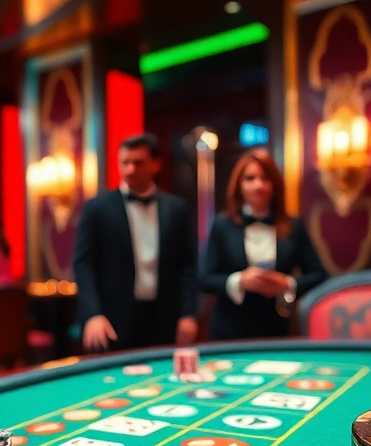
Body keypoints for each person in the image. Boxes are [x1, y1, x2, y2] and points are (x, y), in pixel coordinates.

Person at [74, 133, 199, 351]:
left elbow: (187, 265)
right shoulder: (97, 208)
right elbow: (83, 265)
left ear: (155, 164)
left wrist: (188, 314)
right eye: (125, 163)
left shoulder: (175, 208)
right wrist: (93, 314)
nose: (130, 170)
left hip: (164, 319)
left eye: (138, 163)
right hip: (111, 320)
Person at [200, 149, 327, 340]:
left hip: (278, 327)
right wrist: (239, 281)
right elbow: (204, 278)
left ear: (275, 185)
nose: (258, 185)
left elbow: (318, 274)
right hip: (229, 328)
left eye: (265, 178)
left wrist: (287, 283)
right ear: (239, 185)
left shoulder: (294, 226)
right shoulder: (222, 225)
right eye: (250, 178)